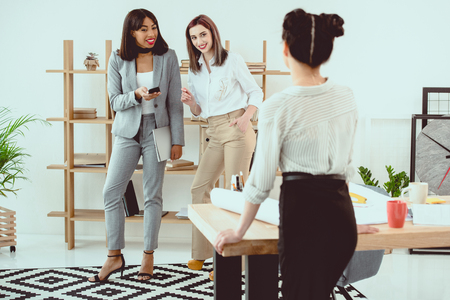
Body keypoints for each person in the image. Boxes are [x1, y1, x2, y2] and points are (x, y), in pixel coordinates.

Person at [213, 9, 379, 299]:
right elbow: (346, 166)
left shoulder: (277, 106)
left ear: (286, 49)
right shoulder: (346, 95)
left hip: (303, 220)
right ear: (327, 51)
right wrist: (348, 218)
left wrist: (239, 231)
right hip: (341, 220)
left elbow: (260, 182)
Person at [88, 8, 184, 282]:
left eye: (153, 27)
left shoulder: (169, 56)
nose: (151, 33)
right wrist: (136, 95)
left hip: (160, 130)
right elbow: (115, 102)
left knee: (153, 195)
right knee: (111, 193)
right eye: (143, 29)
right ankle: (114, 256)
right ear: (131, 32)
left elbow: (175, 104)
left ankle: (148, 256)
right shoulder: (118, 58)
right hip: (127, 133)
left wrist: (177, 140)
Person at [180, 14, 263, 271]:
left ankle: (231, 261)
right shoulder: (194, 69)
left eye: (203, 34)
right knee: (199, 188)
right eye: (194, 37)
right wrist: (191, 104)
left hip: (237, 127)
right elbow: (199, 110)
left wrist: (246, 118)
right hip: (213, 129)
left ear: (212, 33)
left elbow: (255, 92)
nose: (199, 41)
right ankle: (202, 252)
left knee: (235, 194)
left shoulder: (232, 60)